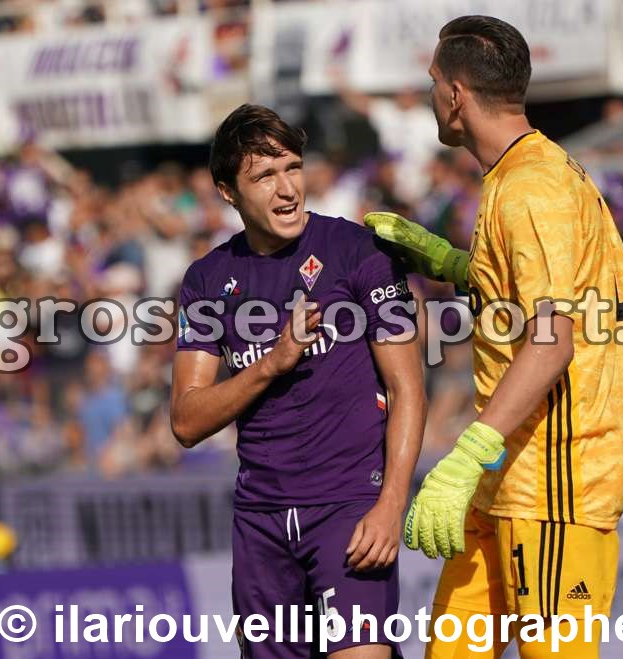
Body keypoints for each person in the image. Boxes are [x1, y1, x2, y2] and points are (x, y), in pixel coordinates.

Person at [365, 16, 623, 658]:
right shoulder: (522, 172)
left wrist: (468, 454)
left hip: (554, 476)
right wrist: (451, 264)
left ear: (456, 95)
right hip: (508, 471)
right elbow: (536, 297)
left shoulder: (530, 187)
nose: (430, 94)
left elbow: (552, 340)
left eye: (433, 81)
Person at [170, 104, 426, 659]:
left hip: (349, 508)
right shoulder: (206, 281)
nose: (287, 189)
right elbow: (186, 421)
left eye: (292, 167)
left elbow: (407, 388)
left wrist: (391, 505)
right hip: (260, 523)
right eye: (265, 176)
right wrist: (271, 363)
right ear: (228, 192)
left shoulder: (358, 252)